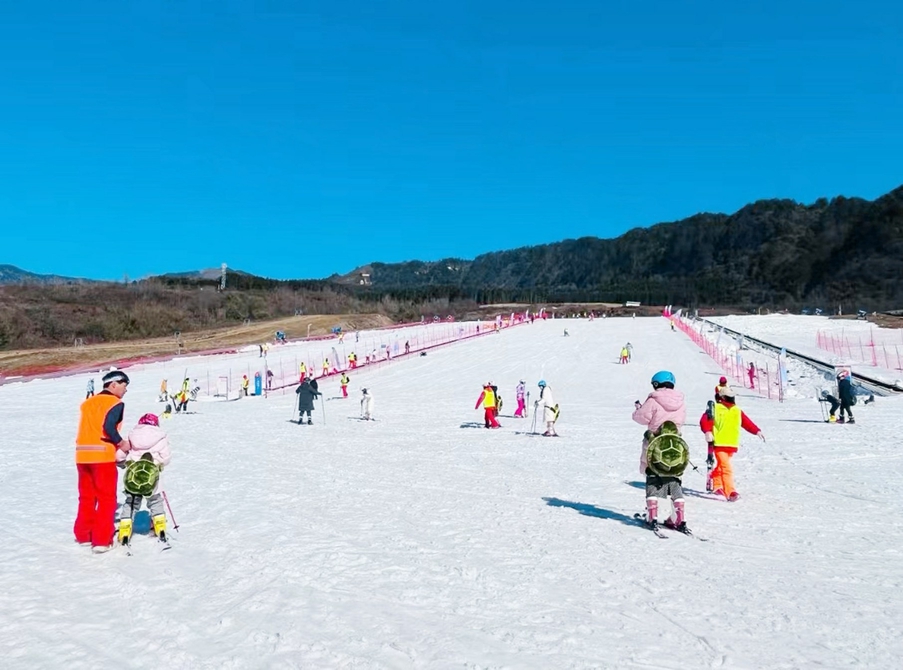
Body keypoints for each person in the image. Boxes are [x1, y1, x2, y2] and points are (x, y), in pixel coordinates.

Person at [74, 370, 131, 553]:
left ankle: (84, 535)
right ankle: (101, 540)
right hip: (102, 457)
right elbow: (108, 427)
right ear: (113, 384)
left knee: (86, 497)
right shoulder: (115, 403)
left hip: (82, 456)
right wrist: (122, 444)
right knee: (106, 499)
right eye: (124, 386)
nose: (125, 390)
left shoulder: (88, 403)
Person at [632, 371, 689, 531]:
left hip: (655, 447)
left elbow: (640, 418)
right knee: (674, 479)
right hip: (675, 447)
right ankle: (678, 516)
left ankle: (652, 515)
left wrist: (639, 409)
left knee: (652, 478)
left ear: (656, 384)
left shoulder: (653, 400)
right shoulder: (681, 401)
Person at [698, 385, 765, 501]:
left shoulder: (737, 410)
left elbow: (746, 422)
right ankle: (730, 492)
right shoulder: (716, 408)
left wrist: (756, 431)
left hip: (731, 444)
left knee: (721, 466)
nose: (731, 399)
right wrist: (707, 431)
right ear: (722, 397)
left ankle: (717, 485)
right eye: (729, 397)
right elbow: (705, 420)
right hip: (719, 443)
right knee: (726, 467)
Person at [116, 413, 172, 547]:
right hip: (152, 479)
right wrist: (158, 464)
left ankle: (125, 529)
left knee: (131, 502)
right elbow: (166, 458)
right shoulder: (161, 437)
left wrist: (124, 463)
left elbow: (119, 456)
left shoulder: (132, 435)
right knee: (155, 501)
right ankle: (160, 527)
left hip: (133, 479)